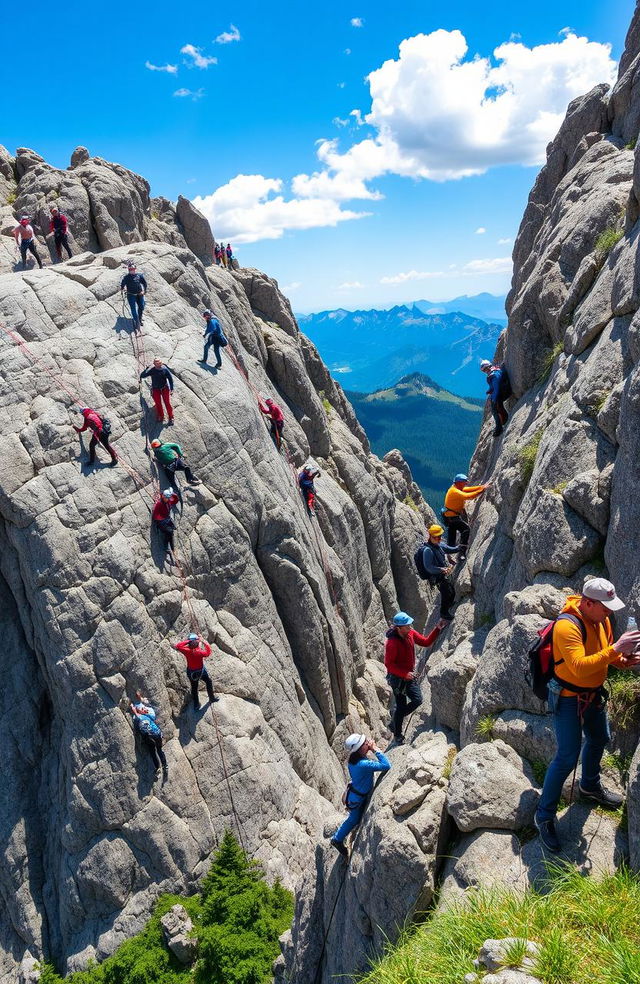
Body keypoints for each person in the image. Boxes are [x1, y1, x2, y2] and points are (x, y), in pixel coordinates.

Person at [534, 578, 640, 853]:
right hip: (568, 697)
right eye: (605, 608)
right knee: (567, 756)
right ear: (588, 603)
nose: (609, 613)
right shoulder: (566, 626)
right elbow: (579, 666)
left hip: (592, 694)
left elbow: (602, 651)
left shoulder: (601, 619)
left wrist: (622, 661)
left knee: (600, 737)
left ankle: (589, 786)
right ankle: (544, 815)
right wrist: (616, 650)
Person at [384, 612, 447, 743]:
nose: (410, 627)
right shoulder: (392, 643)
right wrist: (404, 674)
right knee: (401, 706)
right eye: (407, 626)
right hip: (397, 679)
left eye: (410, 625)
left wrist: (437, 628)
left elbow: (426, 642)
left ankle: (395, 720)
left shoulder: (410, 634)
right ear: (398, 628)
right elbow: (389, 665)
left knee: (417, 700)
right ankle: (398, 735)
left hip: (408, 676)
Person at [330, 734, 391, 857]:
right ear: (359, 748)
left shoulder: (354, 759)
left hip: (355, 794)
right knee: (354, 819)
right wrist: (374, 749)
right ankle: (337, 839)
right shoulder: (362, 764)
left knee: (354, 818)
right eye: (364, 743)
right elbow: (386, 765)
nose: (367, 742)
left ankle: (337, 838)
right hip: (357, 798)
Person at [443, 473, 489, 561]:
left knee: (452, 536)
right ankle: (461, 553)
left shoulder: (455, 488)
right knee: (465, 529)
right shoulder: (455, 491)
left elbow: (467, 489)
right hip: (453, 518)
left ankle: (449, 555)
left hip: (449, 517)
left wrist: (481, 486)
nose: (466, 483)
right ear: (459, 482)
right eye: (465, 482)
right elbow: (469, 496)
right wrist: (482, 490)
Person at [171, 633, 219, 710]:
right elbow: (208, 651)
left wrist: (188, 641)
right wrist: (202, 641)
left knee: (194, 688)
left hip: (191, 672)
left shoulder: (187, 650)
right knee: (208, 682)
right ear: (197, 643)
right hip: (201, 671)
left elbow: (178, 646)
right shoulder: (200, 652)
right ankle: (212, 698)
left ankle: (196, 704)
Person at [422, 524, 459, 621]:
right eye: (436, 537)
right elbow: (428, 567)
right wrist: (441, 569)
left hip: (443, 574)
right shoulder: (427, 551)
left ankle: (449, 605)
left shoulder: (439, 545)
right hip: (437, 577)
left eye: (439, 537)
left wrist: (460, 548)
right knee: (446, 593)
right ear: (430, 536)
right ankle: (444, 613)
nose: (438, 539)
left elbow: (449, 549)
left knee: (452, 591)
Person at [130, 691, 168, 781]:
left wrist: (135, 709)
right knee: (157, 750)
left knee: (153, 750)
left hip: (149, 734)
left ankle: (160, 767)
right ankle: (163, 765)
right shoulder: (147, 712)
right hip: (155, 732)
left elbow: (139, 715)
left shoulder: (148, 711)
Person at [140, 359, 174, 424]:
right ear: (154, 364)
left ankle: (171, 417)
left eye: (159, 363)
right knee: (158, 404)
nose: (158, 364)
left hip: (164, 388)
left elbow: (170, 379)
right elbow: (142, 376)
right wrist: (146, 369)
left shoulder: (165, 370)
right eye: (157, 363)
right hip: (155, 389)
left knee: (167, 403)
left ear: (161, 363)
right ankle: (161, 416)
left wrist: (171, 389)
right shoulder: (152, 370)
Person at [480, 359, 508, 437]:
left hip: (502, 392)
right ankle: (504, 419)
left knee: (494, 409)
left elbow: (497, 387)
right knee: (497, 406)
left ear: (489, 366)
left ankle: (499, 428)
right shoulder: (496, 371)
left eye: (485, 368)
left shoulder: (494, 375)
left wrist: (494, 399)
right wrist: (489, 390)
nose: (485, 371)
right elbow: (495, 386)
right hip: (504, 390)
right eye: (484, 370)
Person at [152, 488, 179, 558]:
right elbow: (155, 516)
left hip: (166, 519)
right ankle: (167, 547)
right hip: (160, 521)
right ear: (164, 497)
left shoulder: (167, 501)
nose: (169, 499)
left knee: (171, 531)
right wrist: (163, 521)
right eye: (167, 497)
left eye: (169, 497)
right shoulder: (159, 504)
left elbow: (175, 500)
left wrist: (173, 494)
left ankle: (171, 548)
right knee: (169, 532)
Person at [120, 261, 147, 329]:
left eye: (133, 269)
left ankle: (139, 319)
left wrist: (144, 291)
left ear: (135, 269)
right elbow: (123, 284)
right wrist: (122, 288)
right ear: (128, 270)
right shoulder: (126, 277)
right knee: (133, 308)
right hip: (131, 295)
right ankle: (137, 321)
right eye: (130, 269)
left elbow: (144, 283)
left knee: (141, 307)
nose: (132, 270)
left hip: (139, 294)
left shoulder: (139, 276)